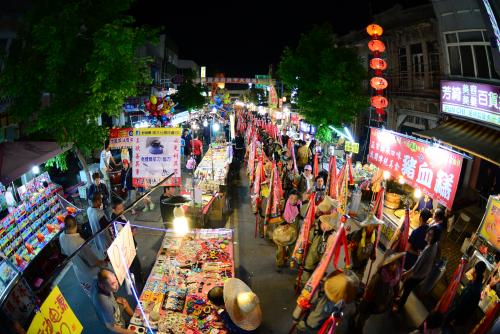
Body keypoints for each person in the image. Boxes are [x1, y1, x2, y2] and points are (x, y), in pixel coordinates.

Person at [293, 270, 360, 334]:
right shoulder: (347, 304)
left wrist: (295, 317)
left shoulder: (319, 290)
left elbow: (302, 303)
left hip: (311, 325)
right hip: (317, 327)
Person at [356, 252, 405, 333]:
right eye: (393, 264)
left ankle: (358, 317)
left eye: (396, 264)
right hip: (371, 301)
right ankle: (358, 326)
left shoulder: (393, 275)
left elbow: (393, 286)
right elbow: (370, 291)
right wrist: (379, 303)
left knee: (366, 314)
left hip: (379, 302)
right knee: (364, 315)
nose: (395, 267)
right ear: (387, 265)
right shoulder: (379, 277)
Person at [396, 225, 442, 311]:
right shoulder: (434, 245)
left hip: (418, 275)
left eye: (430, 235)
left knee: (407, 288)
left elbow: (415, 267)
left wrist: (405, 273)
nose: (427, 235)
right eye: (428, 232)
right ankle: (400, 299)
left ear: (434, 238)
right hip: (423, 274)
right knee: (407, 287)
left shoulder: (428, 250)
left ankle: (399, 308)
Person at [59, 215, 106, 296]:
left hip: (78, 272)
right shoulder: (80, 242)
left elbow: (63, 252)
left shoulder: (61, 236)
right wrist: (105, 263)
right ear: (76, 225)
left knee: (91, 293)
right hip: (91, 274)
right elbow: (93, 262)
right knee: (101, 293)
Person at [442, 261, 487, 332]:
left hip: (456, 317)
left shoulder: (473, 288)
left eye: (474, 268)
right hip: (459, 318)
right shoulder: (477, 284)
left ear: (475, 270)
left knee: (445, 329)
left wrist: (453, 318)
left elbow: (461, 305)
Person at [110, 200, 143, 288]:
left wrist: (131, 228)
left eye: (122, 207)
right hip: (126, 249)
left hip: (129, 246)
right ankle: (138, 284)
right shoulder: (116, 222)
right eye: (119, 208)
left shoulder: (119, 216)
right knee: (134, 266)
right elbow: (122, 238)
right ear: (113, 210)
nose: (122, 210)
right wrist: (132, 233)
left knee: (134, 266)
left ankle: (136, 281)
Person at [300, 211, 339, 286]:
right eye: (325, 225)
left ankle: (311, 283)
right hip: (310, 255)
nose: (327, 228)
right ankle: (303, 283)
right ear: (321, 222)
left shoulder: (329, 235)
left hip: (320, 255)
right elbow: (308, 241)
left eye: (329, 227)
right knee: (307, 269)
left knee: (315, 270)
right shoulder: (315, 230)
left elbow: (331, 245)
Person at [91, 268, 135, 334]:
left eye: (116, 280)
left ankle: (135, 318)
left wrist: (115, 297)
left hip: (108, 305)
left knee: (124, 301)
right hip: (112, 323)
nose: (117, 285)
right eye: (113, 284)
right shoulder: (105, 302)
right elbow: (110, 326)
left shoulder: (98, 280)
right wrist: (129, 332)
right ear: (103, 286)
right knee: (119, 326)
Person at [348, 213, 383, 279]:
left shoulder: (374, 234)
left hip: (363, 263)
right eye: (370, 225)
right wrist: (355, 264)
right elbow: (351, 250)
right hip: (353, 261)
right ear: (366, 225)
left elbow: (373, 246)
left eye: (373, 226)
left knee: (358, 280)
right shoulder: (358, 234)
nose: (371, 227)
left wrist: (373, 256)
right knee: (348, 280)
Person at [273, 190, 301, 268]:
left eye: (295, 199)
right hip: (282, 229)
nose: (293, 201)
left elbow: (301, 218)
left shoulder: (299, 206)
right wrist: (283, 223)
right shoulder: (283, 204)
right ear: (288, 197)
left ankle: (287, 258)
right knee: (281, 248)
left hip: (293, 231)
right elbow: (277, 215)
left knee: (292, 246)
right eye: (291, 198)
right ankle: (280, 261)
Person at [87, 193, 112, 258]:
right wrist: (111, 243)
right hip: (105, 241)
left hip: (96, 237)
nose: (101, 202)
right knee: (109, 255)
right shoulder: (100, 215)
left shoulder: (88, 210)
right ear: (97, 201)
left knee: (104, 251)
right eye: (100, 200)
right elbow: (106, 231)